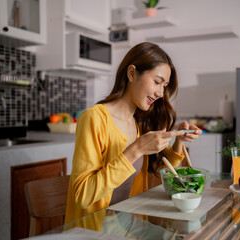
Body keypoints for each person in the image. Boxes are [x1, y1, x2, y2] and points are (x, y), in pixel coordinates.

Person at [64, 42, 202, 226]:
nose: (161, 93)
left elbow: (159, 171)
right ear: (131, 73)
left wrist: (178, 142)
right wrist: (135, 149)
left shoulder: (139, 121)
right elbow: (82, 196)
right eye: (157, 82)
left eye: (165, 86)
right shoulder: (94, 118)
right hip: (94, 230)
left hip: (129, 225)